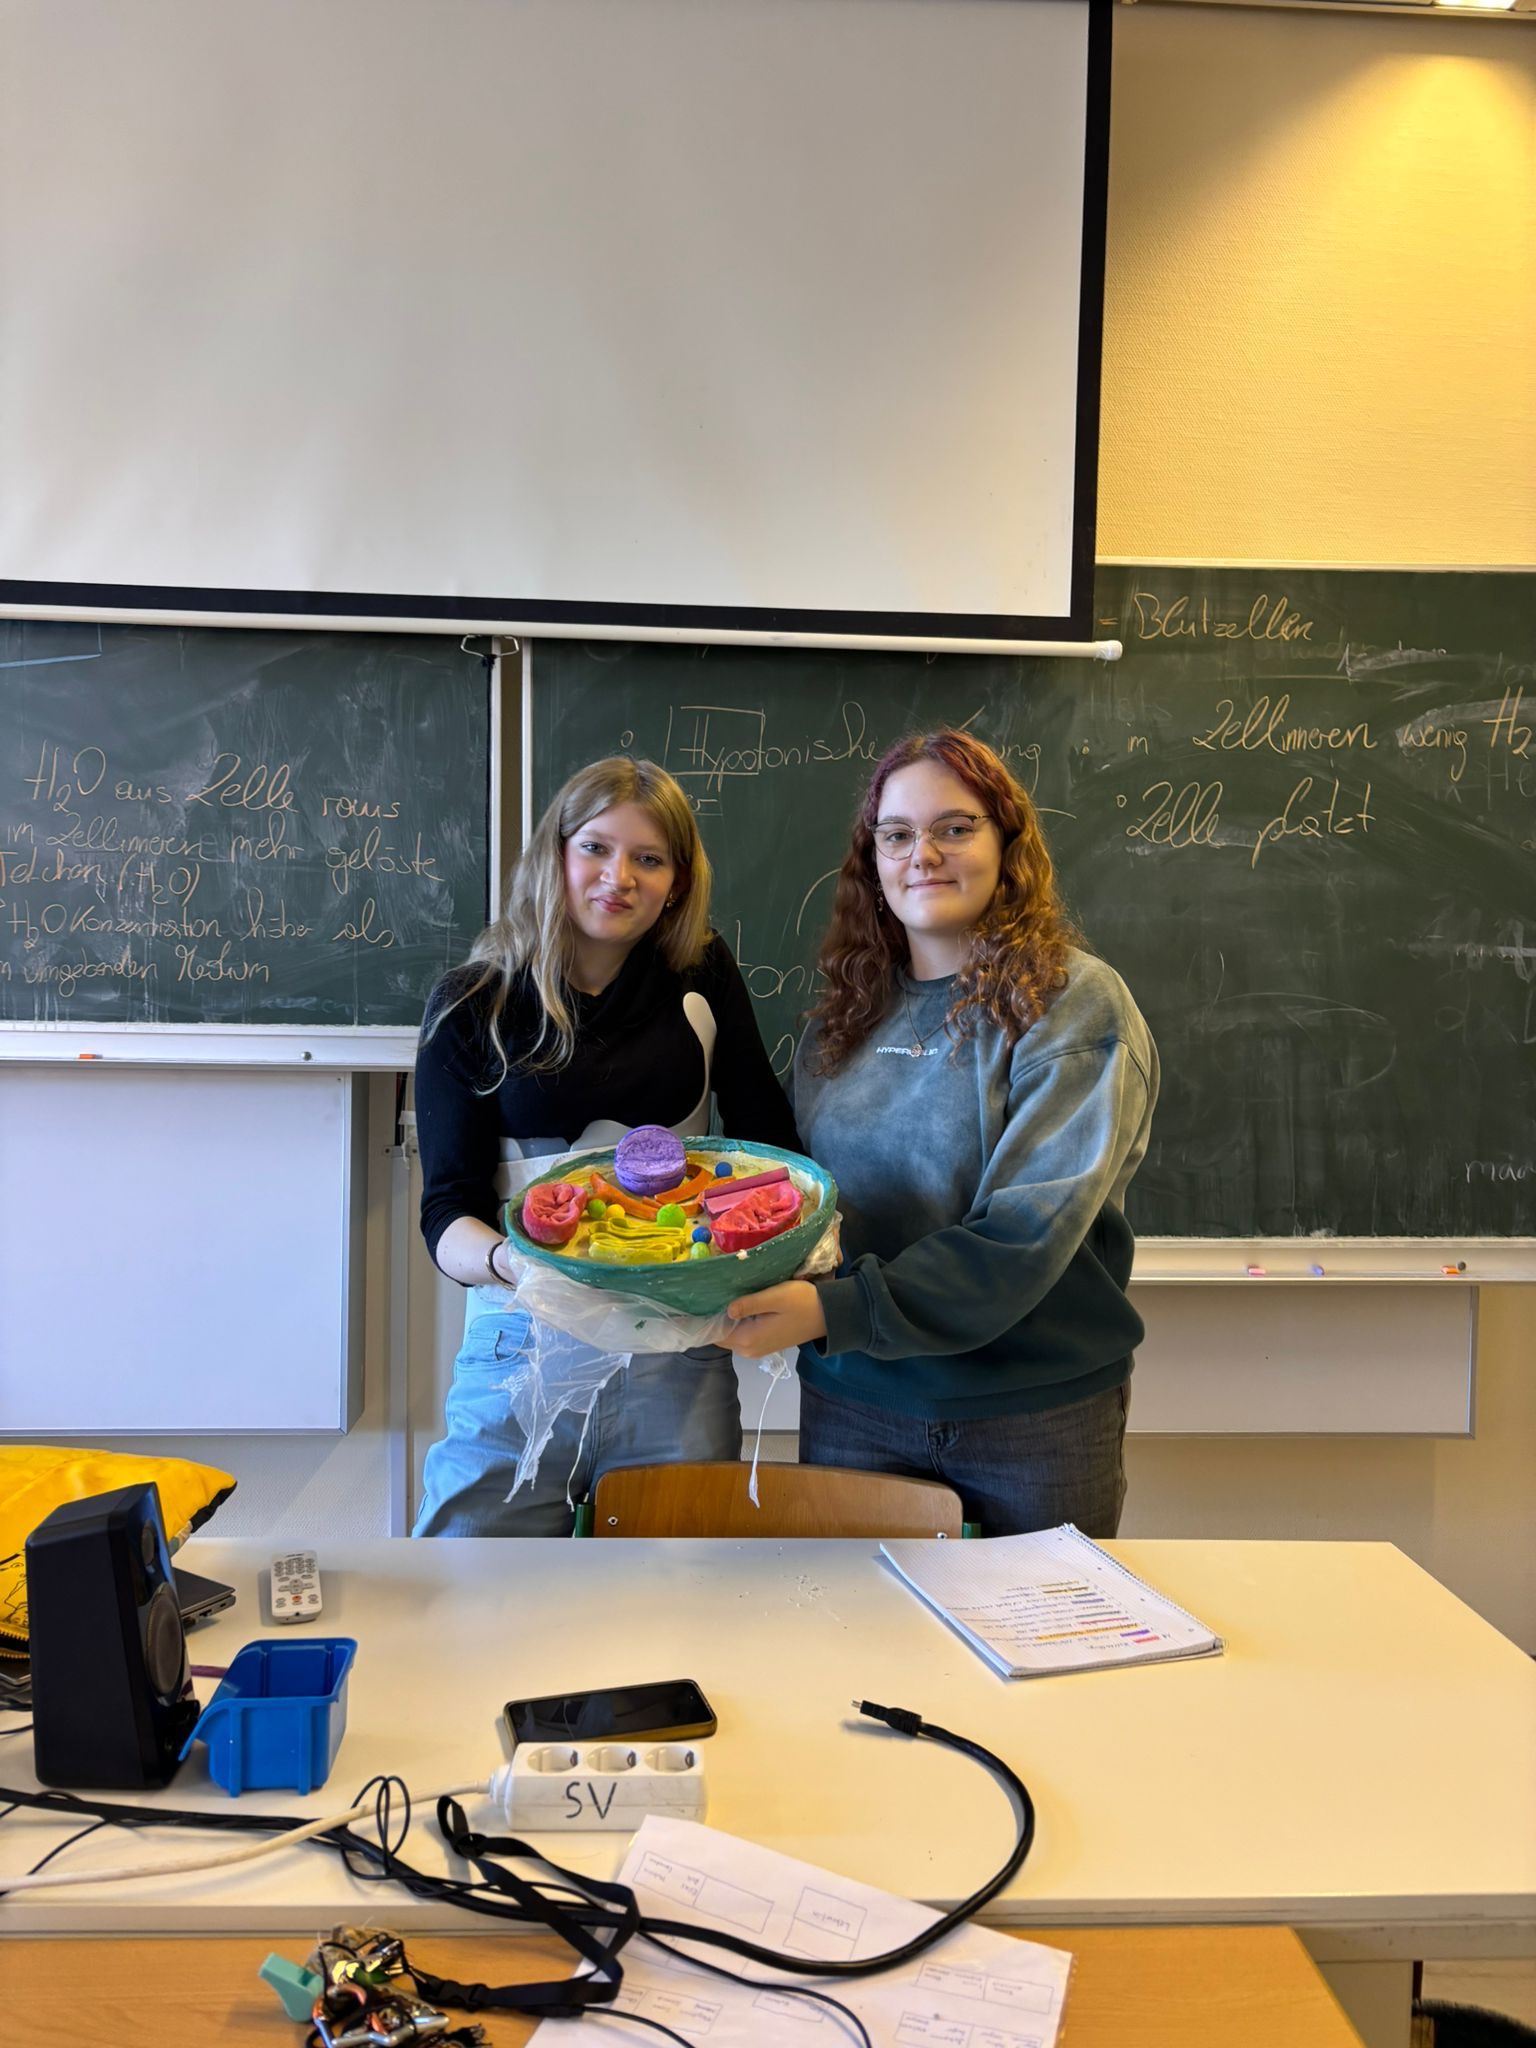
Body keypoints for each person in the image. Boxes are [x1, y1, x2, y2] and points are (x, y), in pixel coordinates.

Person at [725, 728, 1158, 1537]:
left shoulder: (1076, 1006)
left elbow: (1023, 1235)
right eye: (896, 834)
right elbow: (799, 1205)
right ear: (873, 860)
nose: (922, 854)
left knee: (1035, 1622)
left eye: (955, 828)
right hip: (854, 1403)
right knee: (854, 1621)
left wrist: (836, 1310)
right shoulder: (842, 1020)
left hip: (1032, 1417)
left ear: (1007, 844)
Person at [413, 755, 798, 1536]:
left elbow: (772, 1150)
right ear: (555, 855)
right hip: (522, 1340)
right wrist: (517, 1263)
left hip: (677, 1347)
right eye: (595, 848)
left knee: (680, 1587)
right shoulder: (472, 1003)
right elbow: (447, 1210)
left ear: (677, 882)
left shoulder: (704, 974)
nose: (618, 878)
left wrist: (772, 1263)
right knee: (469, 1576)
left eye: (648, 859)